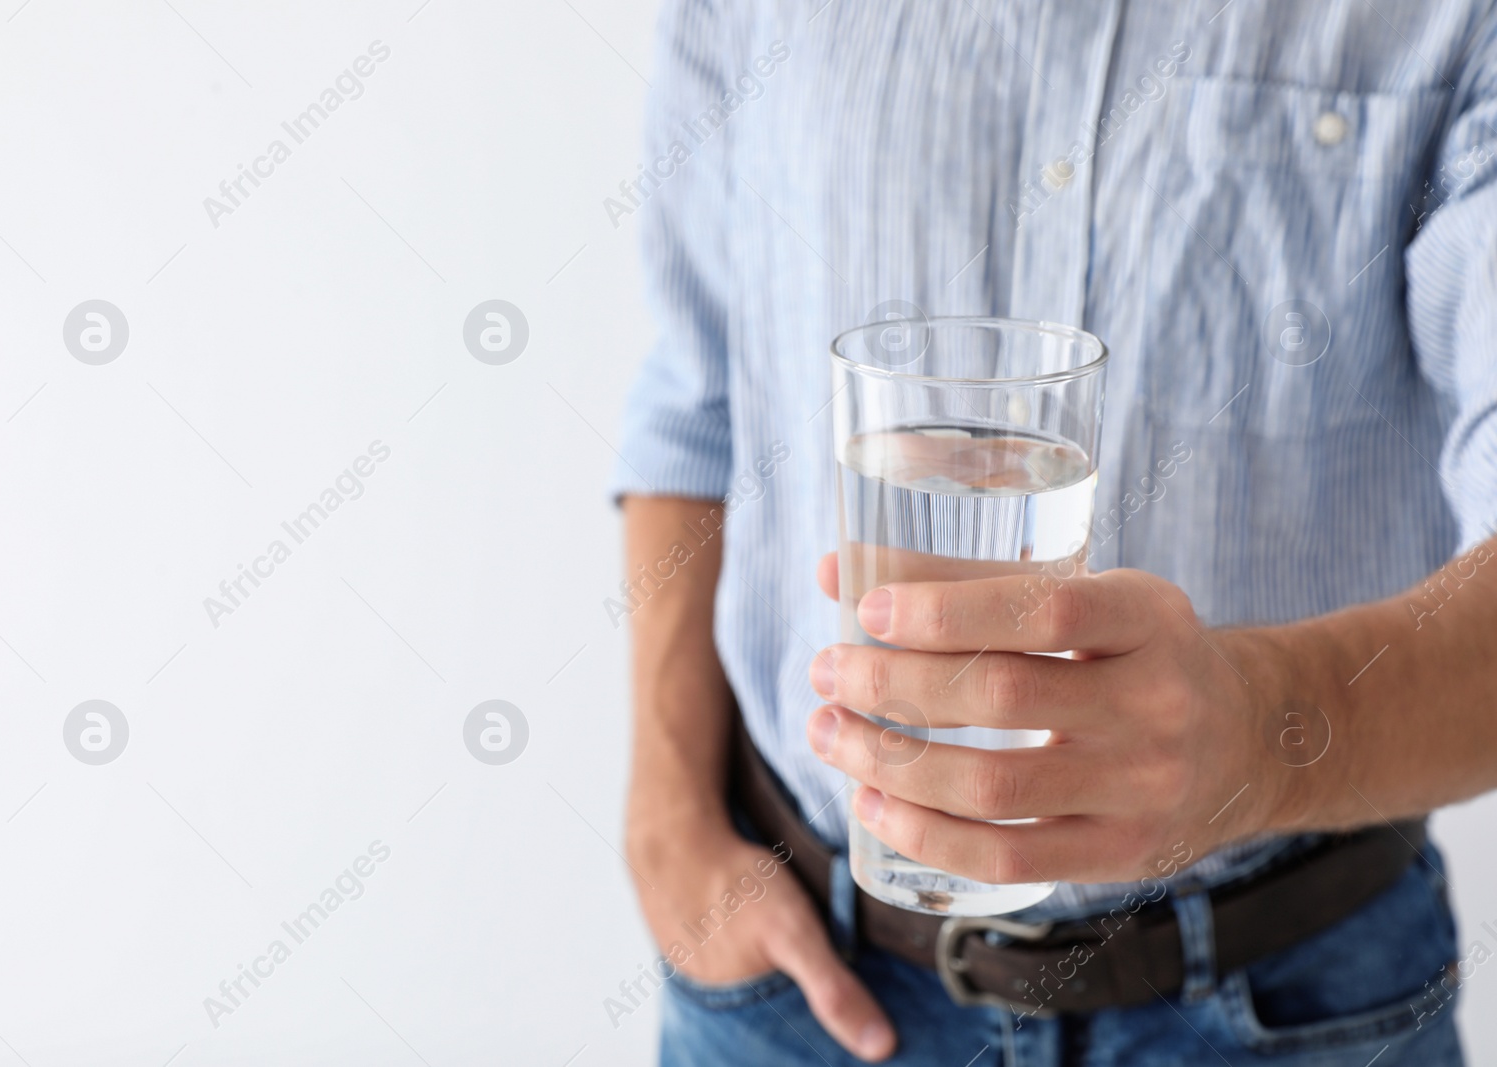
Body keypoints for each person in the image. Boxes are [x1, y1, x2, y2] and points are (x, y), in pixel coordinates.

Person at [610, 2, 1497, 1063]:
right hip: (795, 991)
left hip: (1292, 1002)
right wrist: (667, 809)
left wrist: (1261, 730)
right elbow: (696, 395)